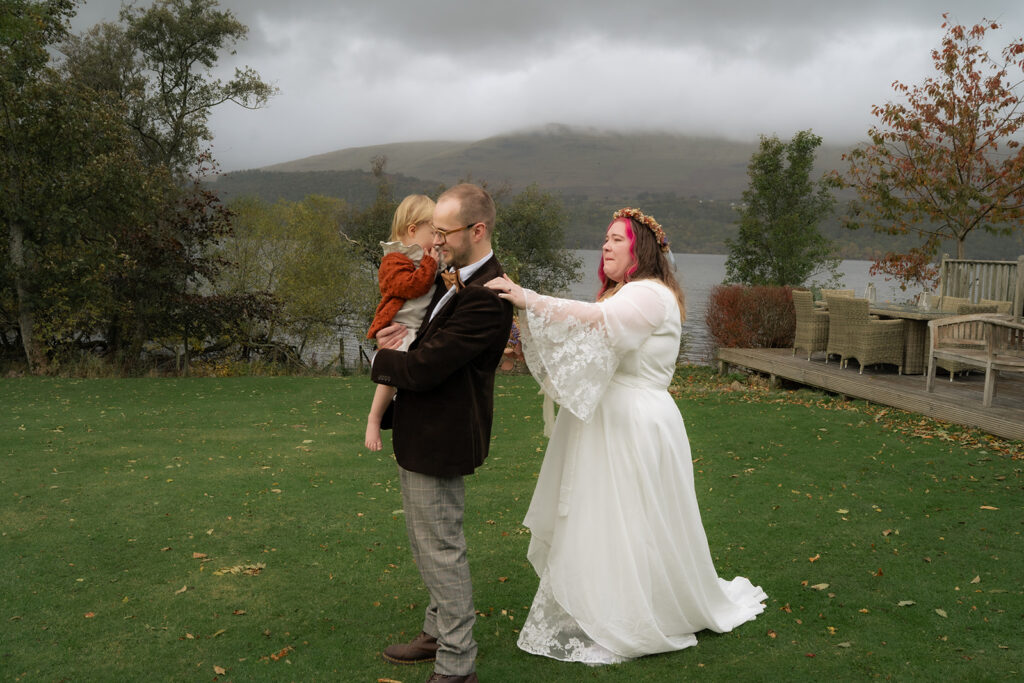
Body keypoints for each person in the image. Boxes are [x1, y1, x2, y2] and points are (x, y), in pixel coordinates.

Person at [485, 208, 767, 665]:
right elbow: (589, 344)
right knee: (601, 518)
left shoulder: (650, 296)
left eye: (616, 239)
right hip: (608, 420)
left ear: (641, 250)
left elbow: (593, 323)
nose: (606, 246)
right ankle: (604, 609)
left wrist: (528, 298)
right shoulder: (625, 294)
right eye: (605, 239)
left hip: (635, 422)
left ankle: (631, 620)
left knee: (633, 520)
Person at [372, 183, 514, 683]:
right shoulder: (453, 280)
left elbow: (429, 366)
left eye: (445, 231)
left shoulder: (489, 294)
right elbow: (423, 341)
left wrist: (383, 355)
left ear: (477, 231)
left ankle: (457, 665)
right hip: (421, 432)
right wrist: (404, 341)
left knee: (441, 548)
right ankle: (436, 633)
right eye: (434, 230)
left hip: (443, 436)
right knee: (425, 543)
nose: (436, 241)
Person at [364, 194, 439, 451]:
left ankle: (402, 410)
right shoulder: (394, 259)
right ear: (412, 230)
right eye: (434, 231)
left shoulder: (426, 256)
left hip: (420, 329)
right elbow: (411, 286)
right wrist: (430, 265)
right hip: (401, 327)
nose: (438, 239)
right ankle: (374, 418)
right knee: (393, 369)